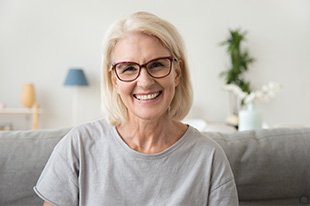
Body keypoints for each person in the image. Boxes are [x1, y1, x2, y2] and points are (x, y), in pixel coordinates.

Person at [34, 11, 238, 206]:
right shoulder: (78, 146)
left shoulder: (209, 157)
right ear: (114, 79)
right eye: (129, 68)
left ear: (177, 72)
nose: (145, 82)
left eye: (157, 64)